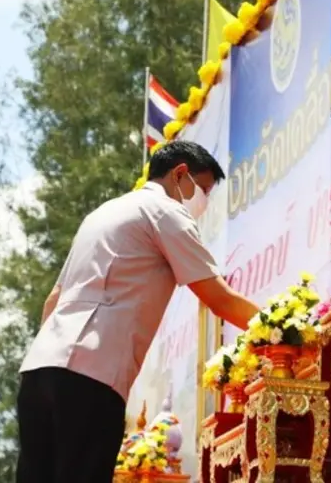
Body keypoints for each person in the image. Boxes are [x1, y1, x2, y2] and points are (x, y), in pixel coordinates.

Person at [15, 140, 259, 483]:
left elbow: (53, 299)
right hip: (91, 374)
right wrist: (283, 328)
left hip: (39, 370)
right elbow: (219, 298)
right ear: (180, 174)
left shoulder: (101, 214)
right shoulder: (167, 211)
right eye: (203, 189)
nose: (203, 200)